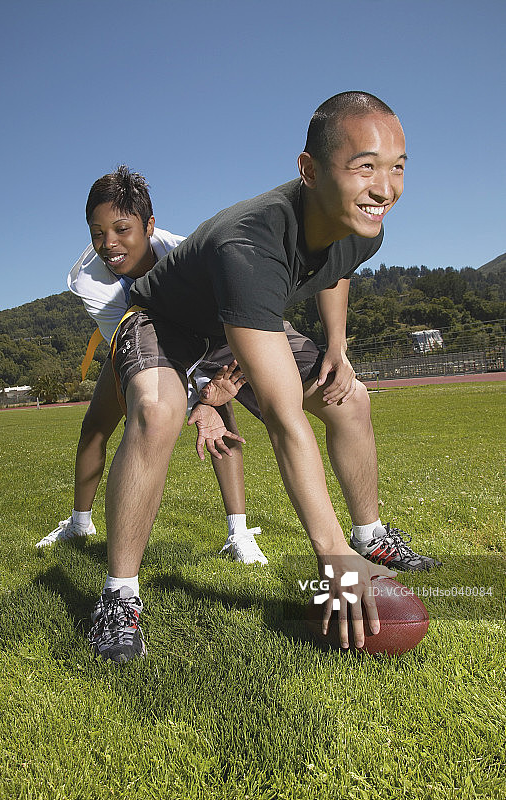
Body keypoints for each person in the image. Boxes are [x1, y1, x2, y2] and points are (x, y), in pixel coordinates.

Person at [89, 92, 441, 663]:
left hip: (236, 322)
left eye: (397, 166)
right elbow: (283, 420)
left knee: (348, 398)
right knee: (158, 411)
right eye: (365, 167)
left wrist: (336, 344)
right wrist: (328, 556)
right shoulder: (247, 244)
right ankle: (119, 596)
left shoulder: (365, 224)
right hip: (165, 321)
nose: (385, 187)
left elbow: (336, 267)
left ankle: (370, 537)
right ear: (308, 170)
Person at [36, 166, 268, 565]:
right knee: (95, 426)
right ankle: (79, 522)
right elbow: (137, 351)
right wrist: (199, 400)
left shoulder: (187, 253)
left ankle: (237, 532)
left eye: (122, 229)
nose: (108, 244)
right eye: (97, 233)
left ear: (149, 226)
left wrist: (208, 400)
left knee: (222, 415)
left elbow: (215, 326)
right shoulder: (89, 281)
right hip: (133, 336)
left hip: (199, 337)